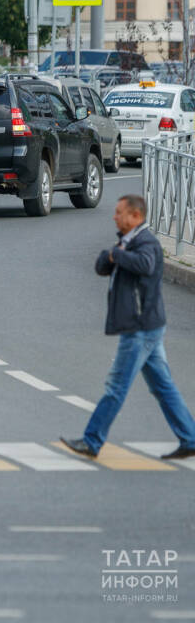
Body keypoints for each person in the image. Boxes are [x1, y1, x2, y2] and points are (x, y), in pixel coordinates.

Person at [61, 195, 195, 460]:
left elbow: (144, 265)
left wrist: (118, 254)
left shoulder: (147, 243)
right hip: (146, 326)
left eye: (119, 212)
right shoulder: (128, 241)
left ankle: (92, 440)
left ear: (135, 216)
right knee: (163, 387)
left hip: (140, 327)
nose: (114, 216)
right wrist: (113, 255)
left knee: (116, 387)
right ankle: (190, 439)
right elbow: (102, 266)